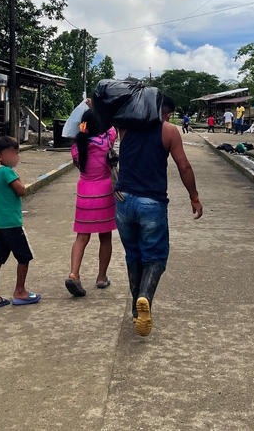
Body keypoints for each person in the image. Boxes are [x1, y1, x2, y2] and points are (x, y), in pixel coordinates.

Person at [115, 94, 202, 337]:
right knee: (155, 255)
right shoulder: (169, 131)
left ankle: (136, 309)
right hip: (151, 202)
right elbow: (184, 166)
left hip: (123, 201)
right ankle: (145, 298)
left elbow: (104, 114)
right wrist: (194, 197)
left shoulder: (125, 126)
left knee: (133, 254)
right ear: (165, 113)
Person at [65, 110, 117, 297]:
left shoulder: (77, 147)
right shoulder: (107, 140)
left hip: (84, 195)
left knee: (81, 237)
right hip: (105, 194)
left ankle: (74, 273)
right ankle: (102, 277)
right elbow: (113, 126)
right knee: (105, 237)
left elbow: (79, 164)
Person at [0, 135, 41, 310]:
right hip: (12, 224)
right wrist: (20, 178)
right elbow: (21, 191)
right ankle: (20, 291)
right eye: (10, 153)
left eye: (16, 153)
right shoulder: (8, 172)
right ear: (0, 157)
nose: (14, 157)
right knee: (24, 257)